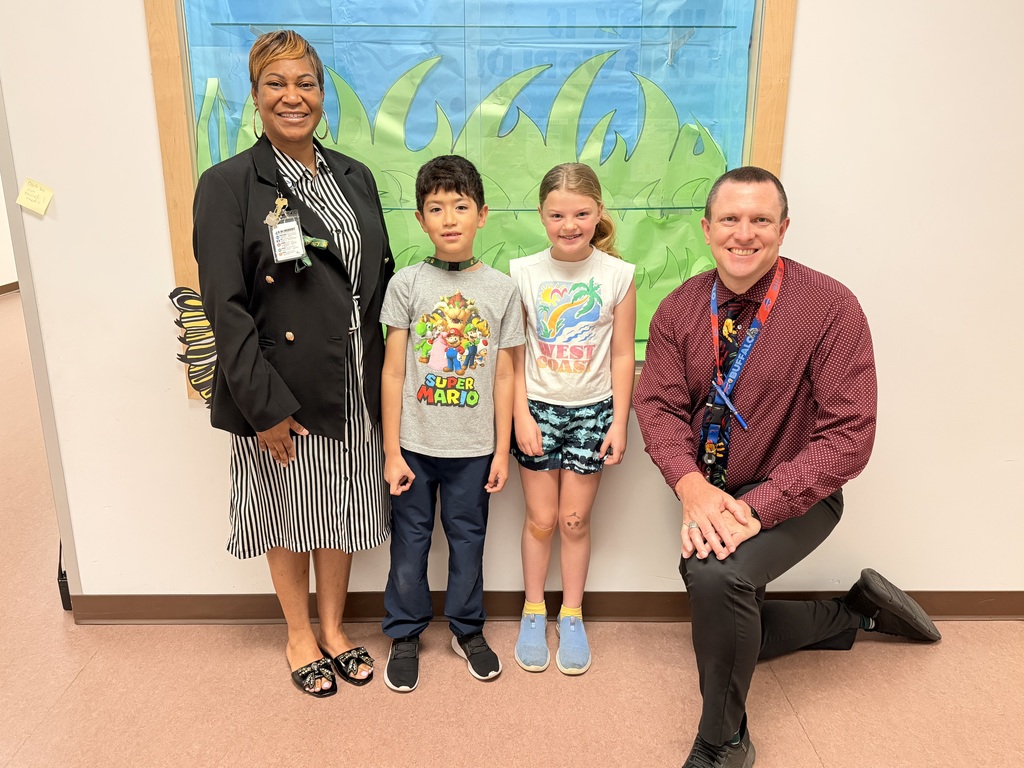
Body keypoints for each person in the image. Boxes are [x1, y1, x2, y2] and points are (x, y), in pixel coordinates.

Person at [633, 166, 940, 767]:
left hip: (800, 496)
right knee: (726, 603)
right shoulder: (678, 309)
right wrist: (693, 489)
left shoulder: (830, 306)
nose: (743, 234)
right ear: (706, 228)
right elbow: (657, 404)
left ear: (783, 228)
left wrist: (756, 508)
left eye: (760, 220)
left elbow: (849, 437)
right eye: (730, 219)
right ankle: (853, 613)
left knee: (717, 579)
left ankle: (723, 742)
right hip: (712, 492)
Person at [192, 30, 393, 698]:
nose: (292, 96)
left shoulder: (354, 176)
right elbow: (226, 307)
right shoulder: (228, 186)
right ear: (255, 96)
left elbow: (374, 279)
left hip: (356, 378)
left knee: (339, 511)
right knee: (289, 511)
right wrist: (263, 407)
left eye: (305, 82)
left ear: (322, 93)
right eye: (276, 83)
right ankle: (299, 634)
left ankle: (335, 630)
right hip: (281, 383)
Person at [378, 155, 524, 692]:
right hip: (413, 446)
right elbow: (394, 371)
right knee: (410, 543)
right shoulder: (407, 284)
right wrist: (392, 451)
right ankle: (406, 631)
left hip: (474, 449)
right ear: (421, 220)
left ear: (481, 214)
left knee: (468, 542)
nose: (449, 218)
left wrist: (502, 450)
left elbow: (506, 376)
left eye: (460, 206)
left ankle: (467, 629)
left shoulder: (502, 290)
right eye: (436, 208)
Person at [508, 163, 636, 675]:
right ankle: (534, 610)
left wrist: (620, 422)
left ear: (598, 213)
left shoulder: (617, 276)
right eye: (557, 214)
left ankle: (573, 614)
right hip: (536, 408)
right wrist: (519, 414)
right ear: (541, 215)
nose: (570, 224)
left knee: (574, 520)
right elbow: (512, 354)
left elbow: (624, 356)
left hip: (593, 411)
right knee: (540, 520)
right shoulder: (522, 273)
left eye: (581, 213)